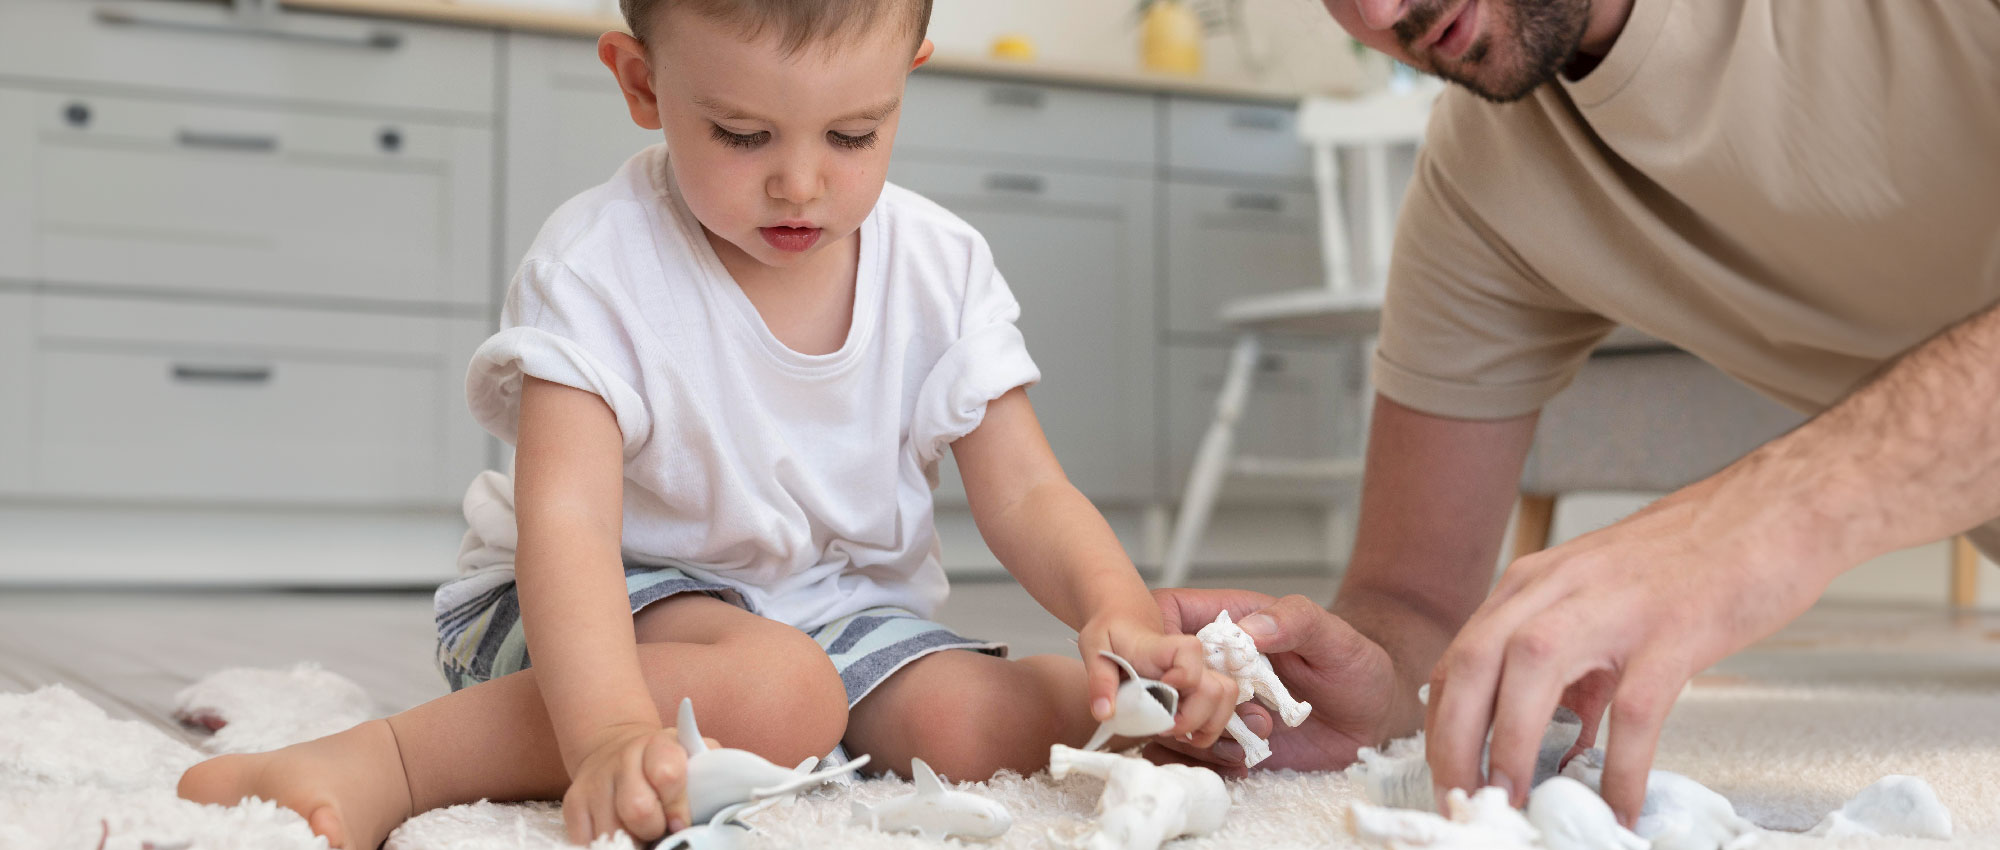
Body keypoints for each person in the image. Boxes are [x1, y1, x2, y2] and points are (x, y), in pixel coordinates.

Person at [175, 1, 1240, 846]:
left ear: (907, 75)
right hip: (579, 605)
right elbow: (569, 524)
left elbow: (1025, 491)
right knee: (779, 692)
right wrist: (608, 731)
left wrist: (1118, 615)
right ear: (642, 82)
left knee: (988, 717)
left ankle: (1183, 717)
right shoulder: (599, 263)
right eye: (741, 133)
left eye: (853, 133)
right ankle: (389, 760)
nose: (800, 181)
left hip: (828, 612)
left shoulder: (940, 268)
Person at [1152, 0, 2000, 829]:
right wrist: (1367, 683)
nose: (1379, 12)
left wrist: (1756, 520)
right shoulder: (1481, 188)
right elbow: (1410, 595)